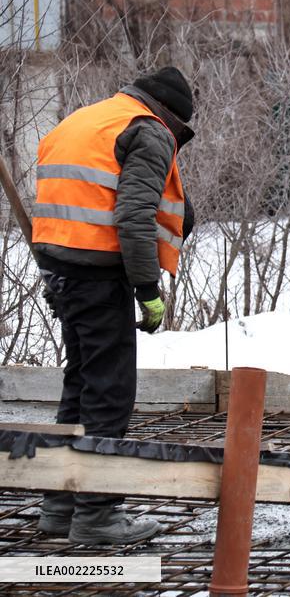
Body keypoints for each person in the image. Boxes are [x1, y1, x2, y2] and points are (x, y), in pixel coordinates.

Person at [33, 66, 196, 544]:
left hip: (62, 269)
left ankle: (60, 507)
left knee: (81, 385)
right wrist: (147, 290)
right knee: (109, 392)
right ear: (170, 115)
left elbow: (66, 201)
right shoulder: (146, 129)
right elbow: (133, 216)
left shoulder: (86, 119)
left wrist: (53, 272)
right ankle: (98, 518)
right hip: (99, 279)